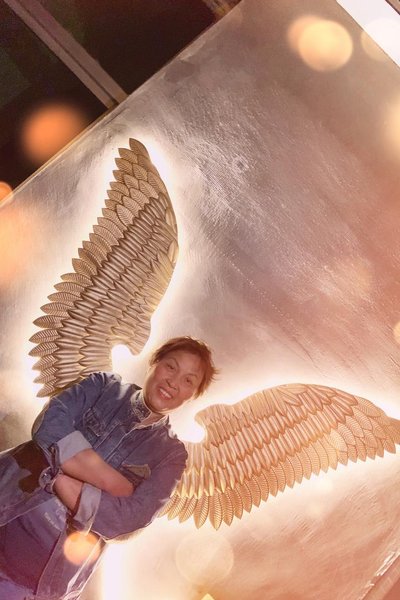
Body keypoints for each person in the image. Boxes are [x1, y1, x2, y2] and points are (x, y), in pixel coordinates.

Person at [0, 336, 217, 600]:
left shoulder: (171, 455)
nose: (173, 382)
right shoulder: (102, 386)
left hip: (35, 586)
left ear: (193, 395)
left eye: (188, 381)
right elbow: (48, 425)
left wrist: (61, 473)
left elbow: (127, 521)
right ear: (154, 362)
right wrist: (113, 484)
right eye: (171, 366)